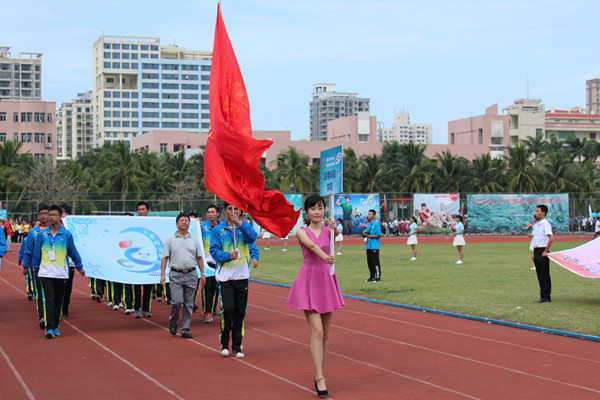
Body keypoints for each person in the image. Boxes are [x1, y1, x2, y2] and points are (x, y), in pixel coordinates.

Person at [285, 195, 344, 397]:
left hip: (327, 282)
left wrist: (335, 229)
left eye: (320, 208)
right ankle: (320, 377)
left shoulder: (329, 230)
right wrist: (326, 257)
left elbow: (338, 237)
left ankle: (319, 371)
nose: (317, 212)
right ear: (307, 211)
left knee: (326, 334)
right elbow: (311, 246)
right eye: (313, 209)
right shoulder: (301, 231)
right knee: (317, 331)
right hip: (309, 282)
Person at [210, 202, 259, 359]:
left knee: (240, 312)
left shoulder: (245, 228)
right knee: (228, 310)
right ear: (224, 211)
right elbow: (214, 251)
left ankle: (237, 346)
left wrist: (239, 223)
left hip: (242, 277)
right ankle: (225, 343)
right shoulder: (218, 230)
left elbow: (252, 238)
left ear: (240, 211)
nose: (233, 211)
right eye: (230, 208)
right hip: (226, 277)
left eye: (236, 209)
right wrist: (228, 256)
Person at [32, 205, 85, 338]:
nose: (51, 217)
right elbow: (37, 252)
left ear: (60, 217)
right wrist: (36, 268)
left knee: (58, 300)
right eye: (50, 215)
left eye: (54, 215)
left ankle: (55, 325)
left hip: (61, 272)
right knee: (49, 300)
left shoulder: (66, 234)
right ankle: (49, 328)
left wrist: (79, 266)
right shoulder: (42, 234)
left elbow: (73, 251)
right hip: (45, 272)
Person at [160, 213, 205, 339]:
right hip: (176, 274)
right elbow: (164, 258)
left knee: (189, 303)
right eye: (181, 220)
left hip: (191, 274)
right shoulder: (170, 239)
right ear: (177, 223)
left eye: (186, 220)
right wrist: (163, 274)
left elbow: (199, 258)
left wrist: (202, 274)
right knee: (177, 301)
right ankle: (173, 320)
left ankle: (185, 329)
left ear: (189, 224)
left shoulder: (194, 240)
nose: (184, 222)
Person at [124, 201, 155, 318]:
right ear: (137, 211)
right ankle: (137, 308)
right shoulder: (133, 223)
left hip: (149, 258)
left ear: (148, 211)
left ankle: (146, 309)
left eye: (143, 209)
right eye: (139, 209)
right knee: (136, 286)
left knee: (148, 286)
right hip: (136, 259)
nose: (141, 211)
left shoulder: (153, 223)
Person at [23, 205, 51, 329]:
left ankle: (54, 314)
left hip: (54, 266)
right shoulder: (33, 232)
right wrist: (25, 265)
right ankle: (42, 316)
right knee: (40, 292)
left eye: (46, 213)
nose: (43, 216)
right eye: (41, 213)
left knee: (53, 293)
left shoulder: (56, 230)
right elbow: (28, 249)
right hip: (39, 266)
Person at [201, 204, 221, 323]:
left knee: (216, 287)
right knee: (207, 288)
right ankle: (207, 312)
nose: (210, 214)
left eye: (213, 212)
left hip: (220, 263)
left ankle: (213, 307)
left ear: (217, 214)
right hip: (207, 263)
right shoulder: (203, 227)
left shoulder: (222, 227)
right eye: (208, 212)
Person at [532, 205, 554, 303]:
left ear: (543, 213)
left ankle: (546, 296)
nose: (536, 213)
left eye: (538, 211)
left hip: (542, 251)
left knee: (545, 274)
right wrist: (533, 253)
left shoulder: (545, 224)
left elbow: (551, 238)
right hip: (537, 250)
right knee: (539, 274)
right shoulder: (536, 225)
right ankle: (542, 295)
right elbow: (535, 240)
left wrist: (546, 251)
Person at [363, 209, 382, 282]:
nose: (369, 215)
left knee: (375, 262)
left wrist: (370, 236)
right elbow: (368, 233)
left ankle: (378, 277)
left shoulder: (376, 224)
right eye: (368, 214)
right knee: (369, 262)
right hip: (368, 245)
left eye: (370, 214)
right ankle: (371, 276)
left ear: (374, 215)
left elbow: (379, 235)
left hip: (374, 246)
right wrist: (365, 233)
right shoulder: (368, 225)